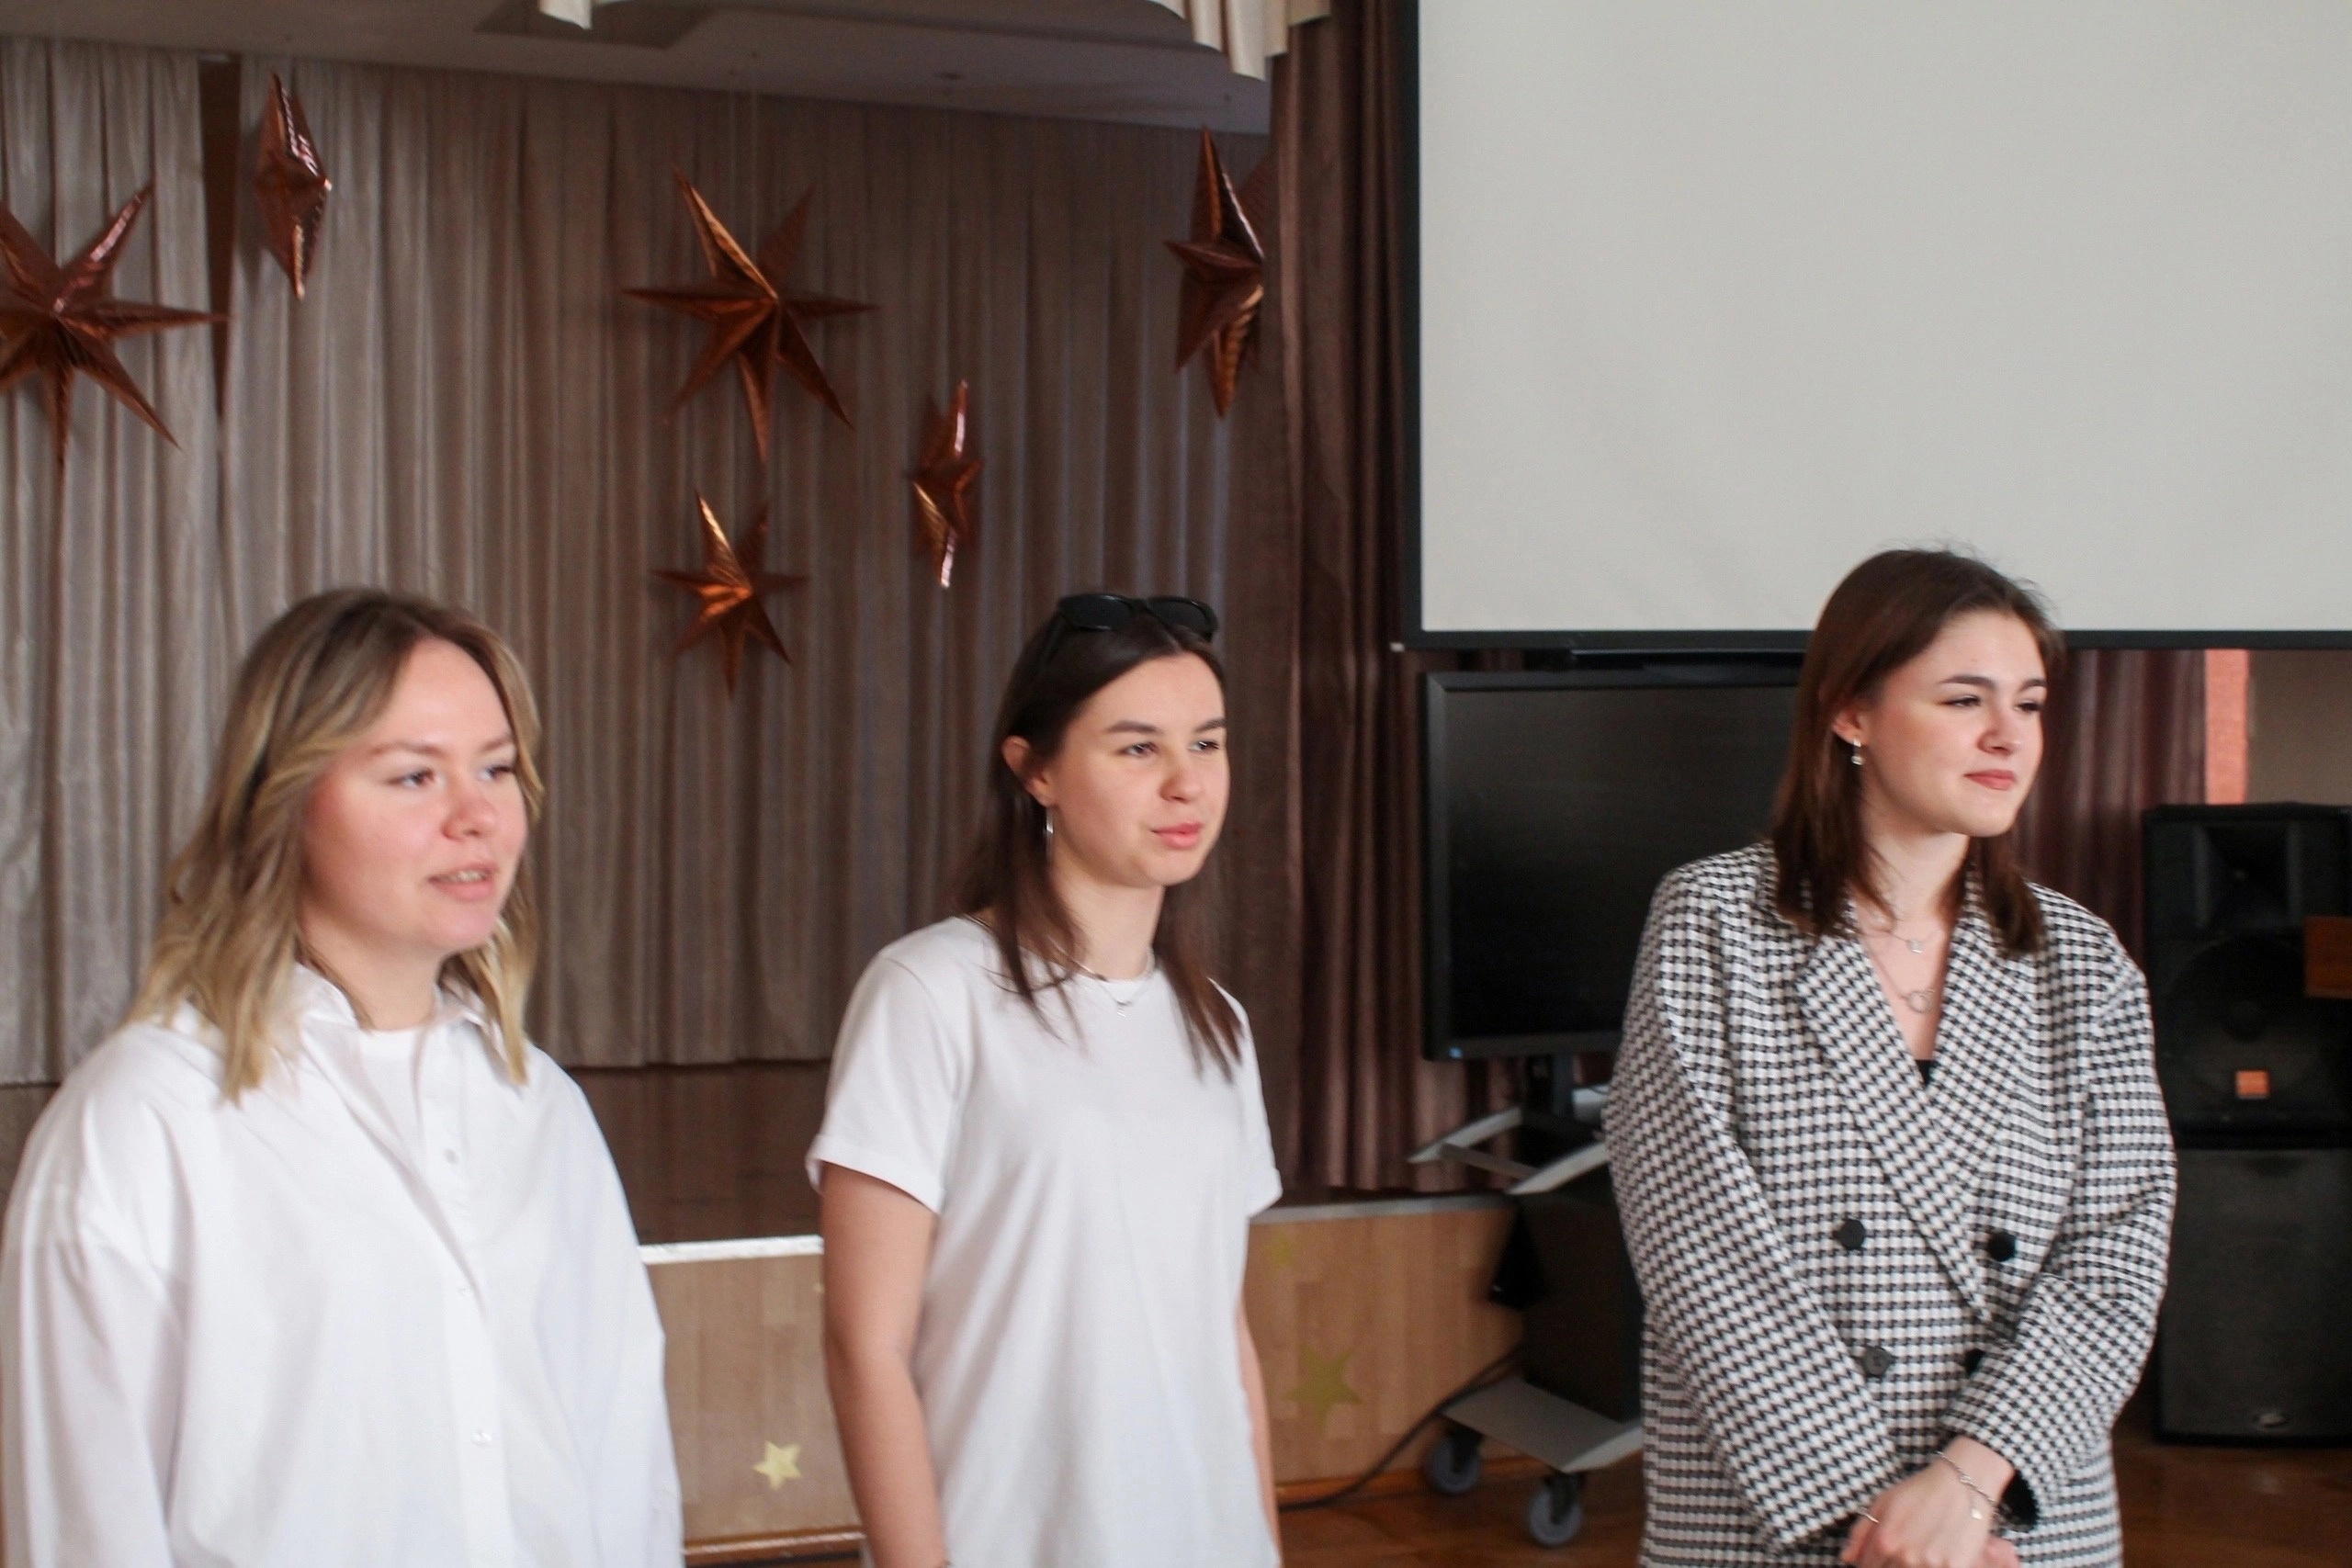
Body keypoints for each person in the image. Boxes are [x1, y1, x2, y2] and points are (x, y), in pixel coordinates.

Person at [1, 590, 682, 1567]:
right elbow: (85, 1532)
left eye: (496, 768)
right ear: (285, 801)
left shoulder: (541, 1110)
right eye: (414, 776)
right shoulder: (142, 1123)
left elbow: (626, 1472)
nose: (477, 817)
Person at [1606, 550, 2176, 1568]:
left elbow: (2118, 1251)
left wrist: (1968, 1486)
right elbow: (1697, 1244)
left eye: (2029, 703)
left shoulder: (2081, 959)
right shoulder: (1713, 921)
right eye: (1964, 699)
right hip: (1785, 1510)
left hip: (2019, 1515)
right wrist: (1889, 1524)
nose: (2009, 735)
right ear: (1850, 712)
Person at [812, 592, 1283, 1568]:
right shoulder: (930, 993)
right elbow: (865, 1348)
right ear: (1035, 772)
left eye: (1207, 743)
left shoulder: (1219, 1025)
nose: (1186, 783)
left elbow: (1222, 1334)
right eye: (1138, 748)